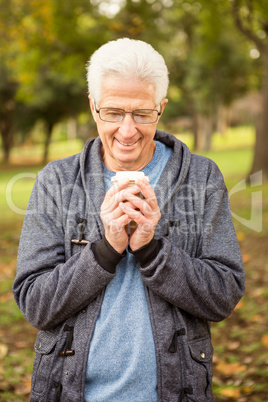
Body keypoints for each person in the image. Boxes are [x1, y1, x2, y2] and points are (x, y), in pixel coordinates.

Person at [13, 38, 245, 402]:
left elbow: (223, 296)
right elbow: (35, 303)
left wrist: (152, 250)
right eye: (113, 112)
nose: (127, 130)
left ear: (161, 109)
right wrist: (106, 250)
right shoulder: (56, 180)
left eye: (141, 113)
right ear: (93, 108)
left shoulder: (201, 178)